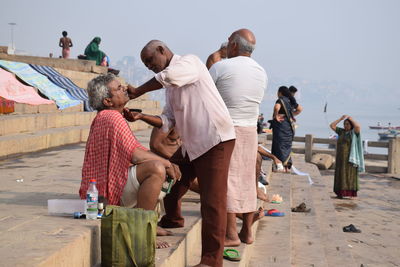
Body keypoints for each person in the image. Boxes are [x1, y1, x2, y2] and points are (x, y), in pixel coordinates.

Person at [126, 40, 236, 267]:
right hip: (192, 145)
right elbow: (168, 120)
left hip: (214, 140)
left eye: (150, 60)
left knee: (212, 201)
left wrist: (137, 91)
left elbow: (169, 76)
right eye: (145, 64)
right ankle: (173, 218)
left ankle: (211, 261)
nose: (149, 66)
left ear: (162, 51)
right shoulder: (169, 87)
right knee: (172, 180)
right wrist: (141, 116)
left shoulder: (190, 62)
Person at [79, 73, 179, 248]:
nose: (124, 88)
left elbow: (135, 150)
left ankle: (150, 224)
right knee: (156, 168)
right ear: (108, 102)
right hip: (106, 194)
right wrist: (167, 163)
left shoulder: (111, 116)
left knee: (158, 165)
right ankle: (141, 230)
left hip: (103, 192)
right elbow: (135, 154)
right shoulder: (111, 117)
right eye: (118, 88)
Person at [208, 28, 266, 246]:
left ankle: (231, 235)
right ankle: (246, 232)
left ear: (233, 45)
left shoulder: (221, 67)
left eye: (228, 41)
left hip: (227, 129)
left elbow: (206, 95)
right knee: (248, 180)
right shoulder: (261, 71)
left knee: (228, 180)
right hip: (250, 131)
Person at [329, 115, 363, 198]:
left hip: (350, 159)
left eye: (348, 124)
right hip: (340, 158)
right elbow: (332, 125)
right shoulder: (341, 131)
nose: (346, 125)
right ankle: (340, 193)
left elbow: (358, 127)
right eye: (345, 124)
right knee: (340, 175)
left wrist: (351, 119)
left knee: (349, 175)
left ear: (351, 125)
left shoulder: (354, 133)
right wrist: (340, 119)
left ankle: (350, 193)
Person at [270, 86, 302, 171]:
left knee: (279, 145)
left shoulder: (280, 100)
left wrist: (276, 116)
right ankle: (286, 167)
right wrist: (291, 116)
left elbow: (277, 107)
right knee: (287, 146)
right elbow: (299, 109)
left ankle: (278, 165)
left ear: (280, 92)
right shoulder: (290, 101)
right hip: (289, 127)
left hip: (281, 126)